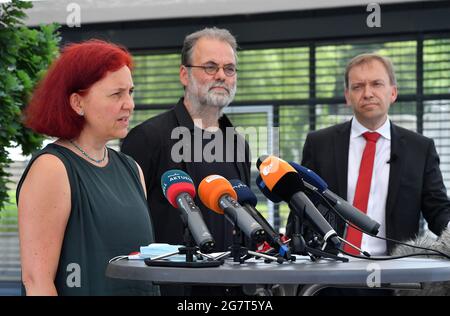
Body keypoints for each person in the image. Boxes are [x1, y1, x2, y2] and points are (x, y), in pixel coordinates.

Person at [295, 53, 450, 295]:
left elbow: (439, 210)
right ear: (348, 96)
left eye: (376, 84)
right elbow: (302, 207)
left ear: (393, 92)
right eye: (358, 86)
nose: (367, 93)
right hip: (330, 275)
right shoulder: (319, 143)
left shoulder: (420, 148)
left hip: (396, 278)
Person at [17, 39, 158, 296]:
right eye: (117, 94)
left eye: (131, 92)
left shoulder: (131, 169)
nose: (129, 104)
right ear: (77, 103)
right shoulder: (52, 169)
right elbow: (37, 281)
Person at [121, 27, 251, 295]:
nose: (221, 76)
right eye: (210, 67)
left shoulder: (238, 144)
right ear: (184, 74)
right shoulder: (148, 138)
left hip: (232, 292)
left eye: (229, 69)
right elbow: (128, 228)